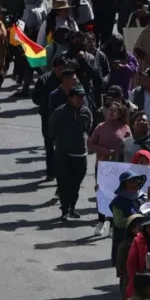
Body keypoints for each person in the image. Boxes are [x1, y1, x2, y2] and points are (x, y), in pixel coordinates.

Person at [49, 85, 93, 221]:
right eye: (77, 97)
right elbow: (51, 130)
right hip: (63, 153)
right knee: (63, 183)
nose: (80, 100)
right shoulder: (60, 112)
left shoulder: (86, 112)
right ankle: (64, 209)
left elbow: (89, 128)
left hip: (80, 154)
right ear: (70, 98)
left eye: (82, 98)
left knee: (76, 183)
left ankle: (72, 208)